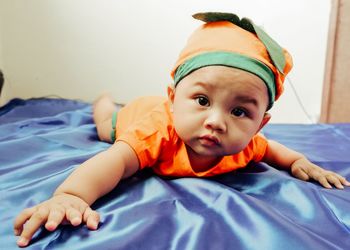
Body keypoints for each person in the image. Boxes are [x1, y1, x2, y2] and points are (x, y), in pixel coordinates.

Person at [14, 12, 350, 247]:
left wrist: (299, 162)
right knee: (106, 128)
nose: (217, 121)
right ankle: (104, 103)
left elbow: (273, 150)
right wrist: (71, 196)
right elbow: (113, 163)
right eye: (202, 100)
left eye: (238, 111)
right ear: (174, 98)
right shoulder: (154, 134)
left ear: (259, 124)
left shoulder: (246, 145)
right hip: (138, 114)